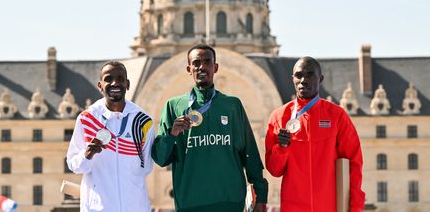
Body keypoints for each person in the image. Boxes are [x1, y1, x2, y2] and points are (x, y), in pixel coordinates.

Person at [151, 44, 268, 212]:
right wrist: (172, 134)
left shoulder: (232, 105)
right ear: (189, 68)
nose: (202, 67)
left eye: (207, 62)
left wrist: (261, 197)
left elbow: (250, 154)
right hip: (190, 203)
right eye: (196, 63)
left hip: (230, 202)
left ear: (216, 67)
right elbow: (161, 159)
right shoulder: (174, 106)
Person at [264, 56, 365, 212]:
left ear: (320, 78)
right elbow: (274, 170)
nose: (304, 80)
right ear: (292, 79)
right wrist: (282, 148)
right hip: (293, 208)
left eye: (310, 74)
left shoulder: (337, 115)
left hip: (329, 207)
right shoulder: (278, 117)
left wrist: (355, 208)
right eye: (299, 75)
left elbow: (354, 164)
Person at [66, 61, 155, 212]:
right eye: (108, 79)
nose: (115, 83)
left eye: (120, 79)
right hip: (97, 209)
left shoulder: (143, 121)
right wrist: (86, 155)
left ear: (127, 84)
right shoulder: (86, 118)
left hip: (135, 207)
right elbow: (73, 164)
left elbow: (146, 166)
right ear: (100, 85)